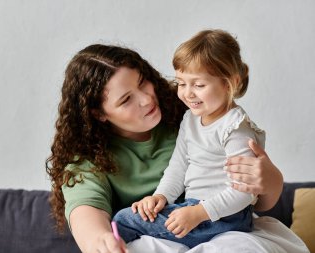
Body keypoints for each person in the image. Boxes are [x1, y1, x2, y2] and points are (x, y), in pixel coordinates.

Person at [45, 43, 300, 253]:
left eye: (143, 82)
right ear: (99, 113)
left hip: (226, 226)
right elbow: (87, 214)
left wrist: (271, 179)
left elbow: (256, 201)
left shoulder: (191, 113)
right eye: (126, 99)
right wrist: (99, 240)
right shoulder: (89, 159)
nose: (146, 99)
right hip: (163, 238)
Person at [112, 29, 264, 248]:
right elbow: (178, 167)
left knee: (124, 220)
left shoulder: (235, 128)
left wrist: (198, 213)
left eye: (199, 85)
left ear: (230, 82)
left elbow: (244, 192)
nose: (188, 93)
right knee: (135, 216)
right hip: (195, 209)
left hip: (225, 216)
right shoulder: (191, 119)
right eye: (182, 83)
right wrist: (161, 196)